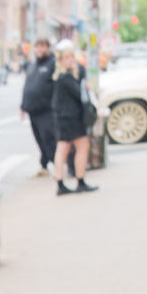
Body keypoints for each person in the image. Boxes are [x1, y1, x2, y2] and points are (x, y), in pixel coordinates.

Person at [52, 42, 98, 196]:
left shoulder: (63, 76)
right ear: (60, 60)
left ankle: (62, 182)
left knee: (63, 148)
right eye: (67, 57)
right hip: (71, 118)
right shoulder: (66, 77)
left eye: (72, 56)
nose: (70, 60)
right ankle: (79, 180)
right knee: (80, 147)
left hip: (64, 117)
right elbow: (79, 94)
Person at [20, 37, 57, 175]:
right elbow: (28, 86)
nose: (40, 49)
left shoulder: (52, 64)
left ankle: (56, 163)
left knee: (48, 138)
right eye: (38, 46)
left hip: (46, 109)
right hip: (33, 110)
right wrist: (23, 106)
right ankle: (44, 164)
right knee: (40, 139)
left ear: (48, 48)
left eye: (43, 46)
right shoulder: (33, 65)